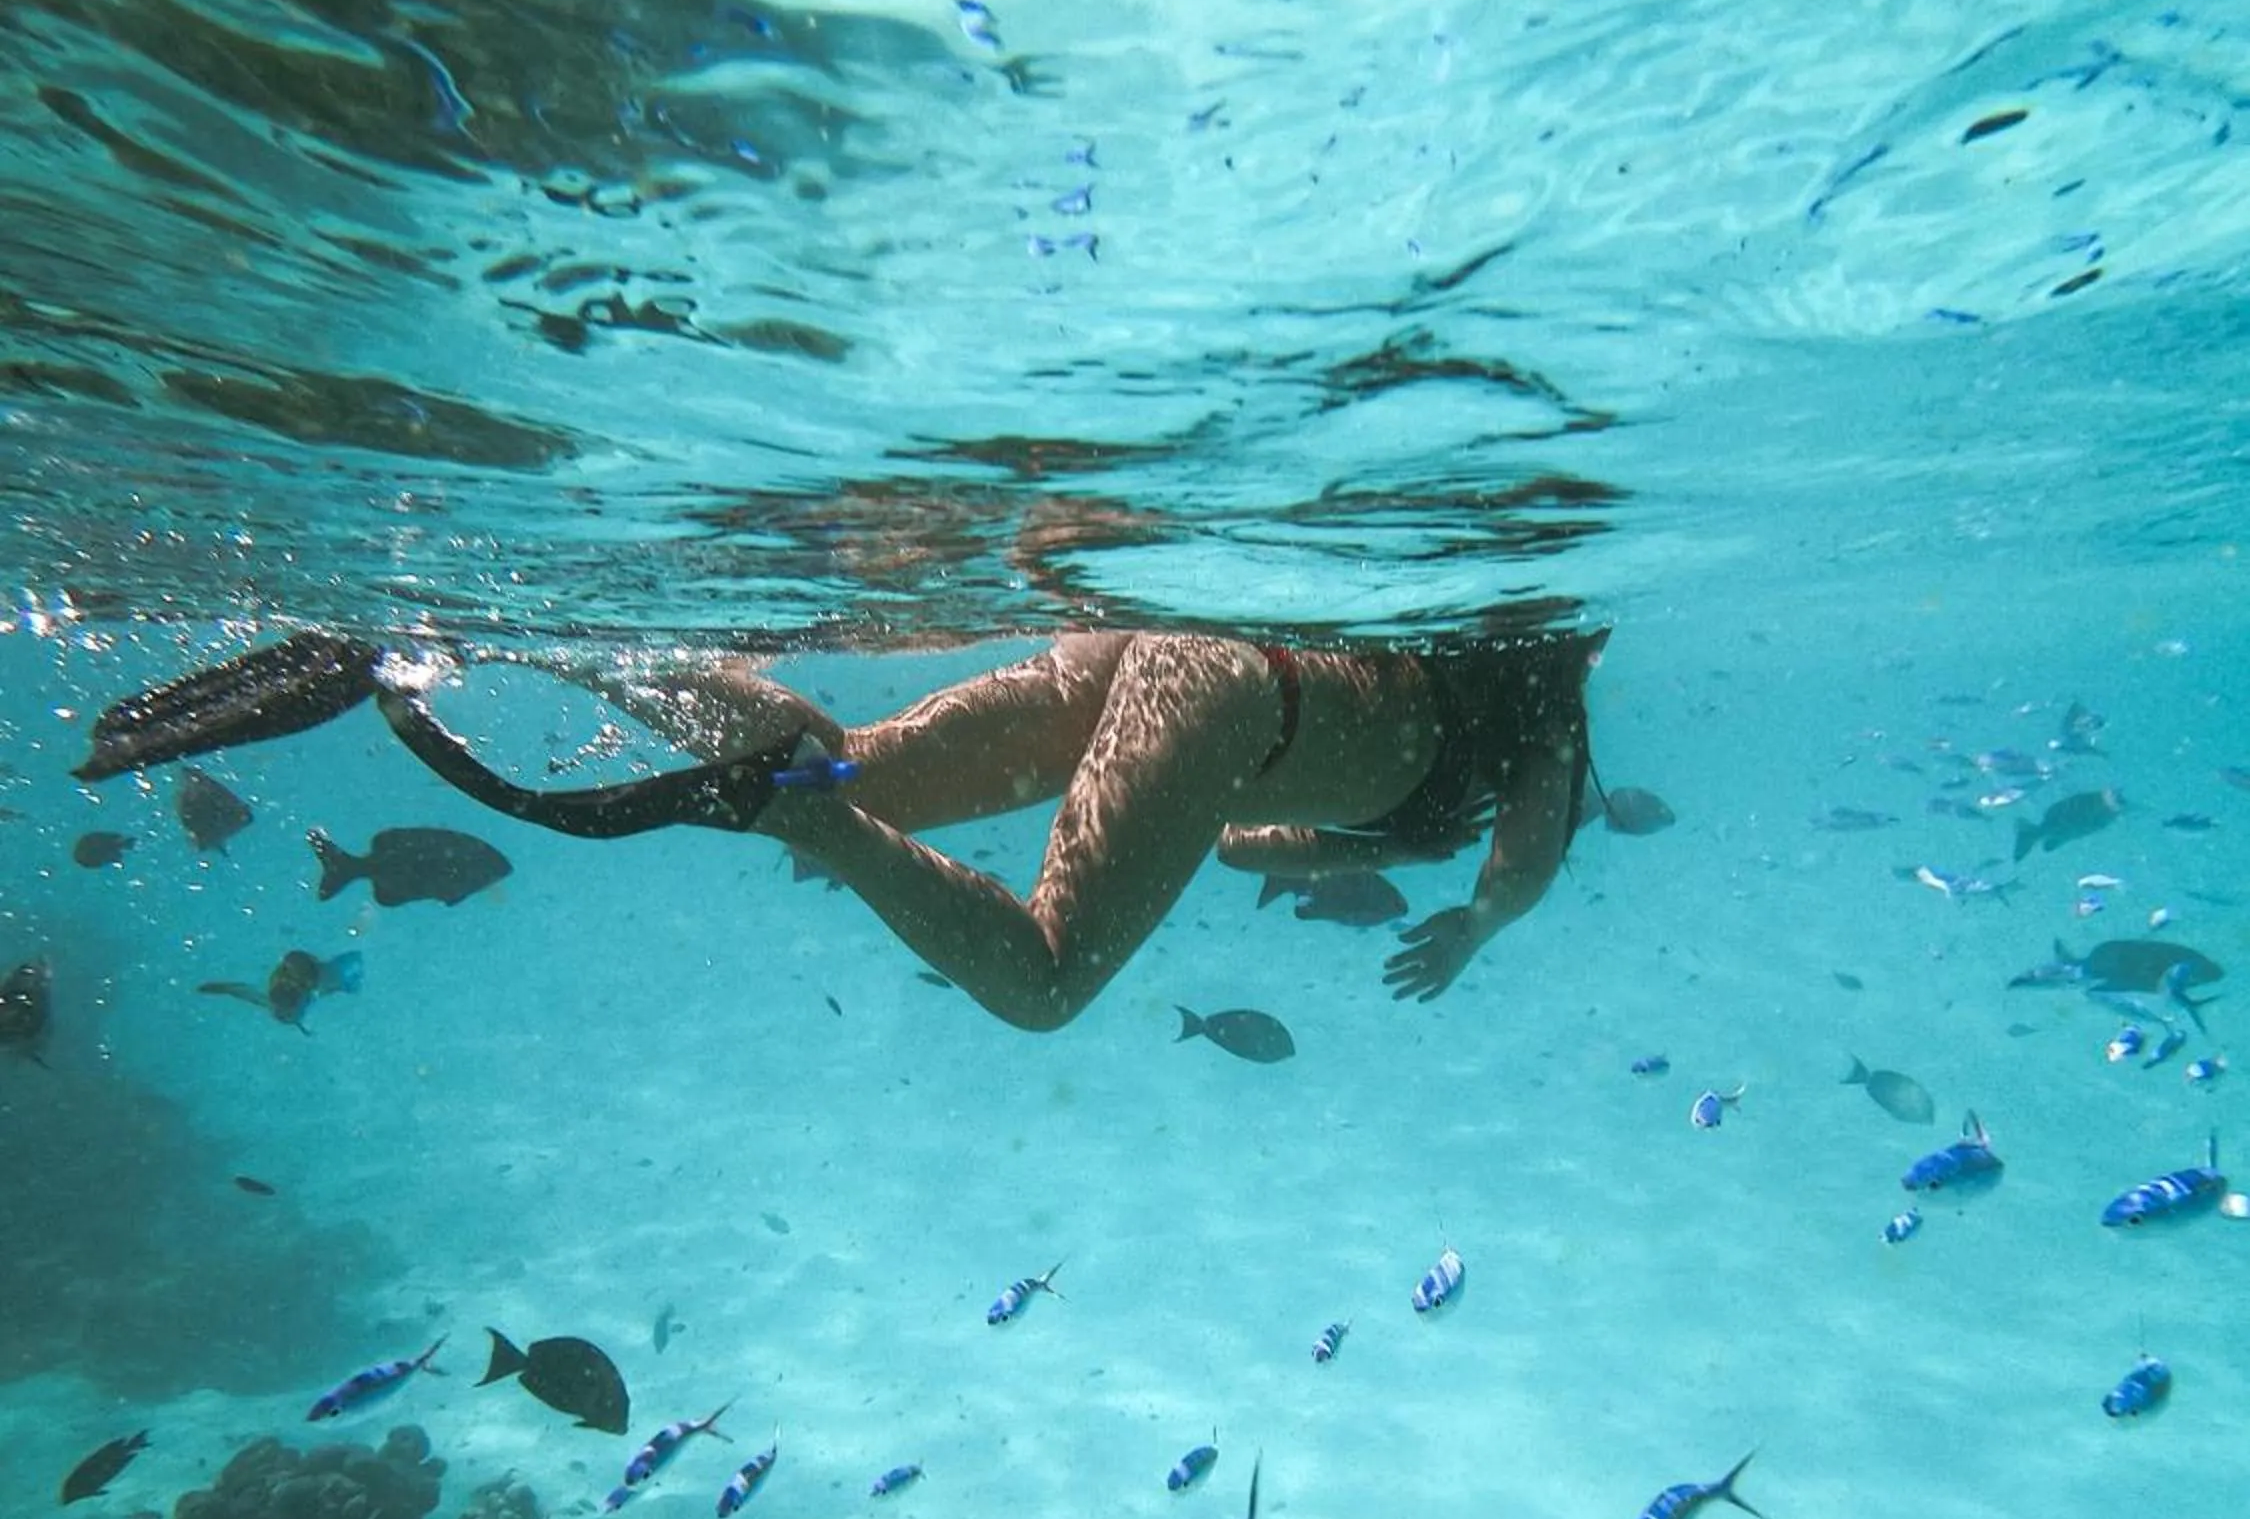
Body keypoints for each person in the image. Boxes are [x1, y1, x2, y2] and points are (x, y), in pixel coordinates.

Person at [77, 609, 1608, 1032]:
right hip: (1225, 705)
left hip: (1174, 642)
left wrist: (1320, 842)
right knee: (1042, 978)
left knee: (853, 762)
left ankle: (513, 629)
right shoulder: (1541, 717)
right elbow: (1515, 864)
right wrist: (1466, 923)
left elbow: (1242, 840)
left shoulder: (1467, 648)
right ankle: (795, 823)